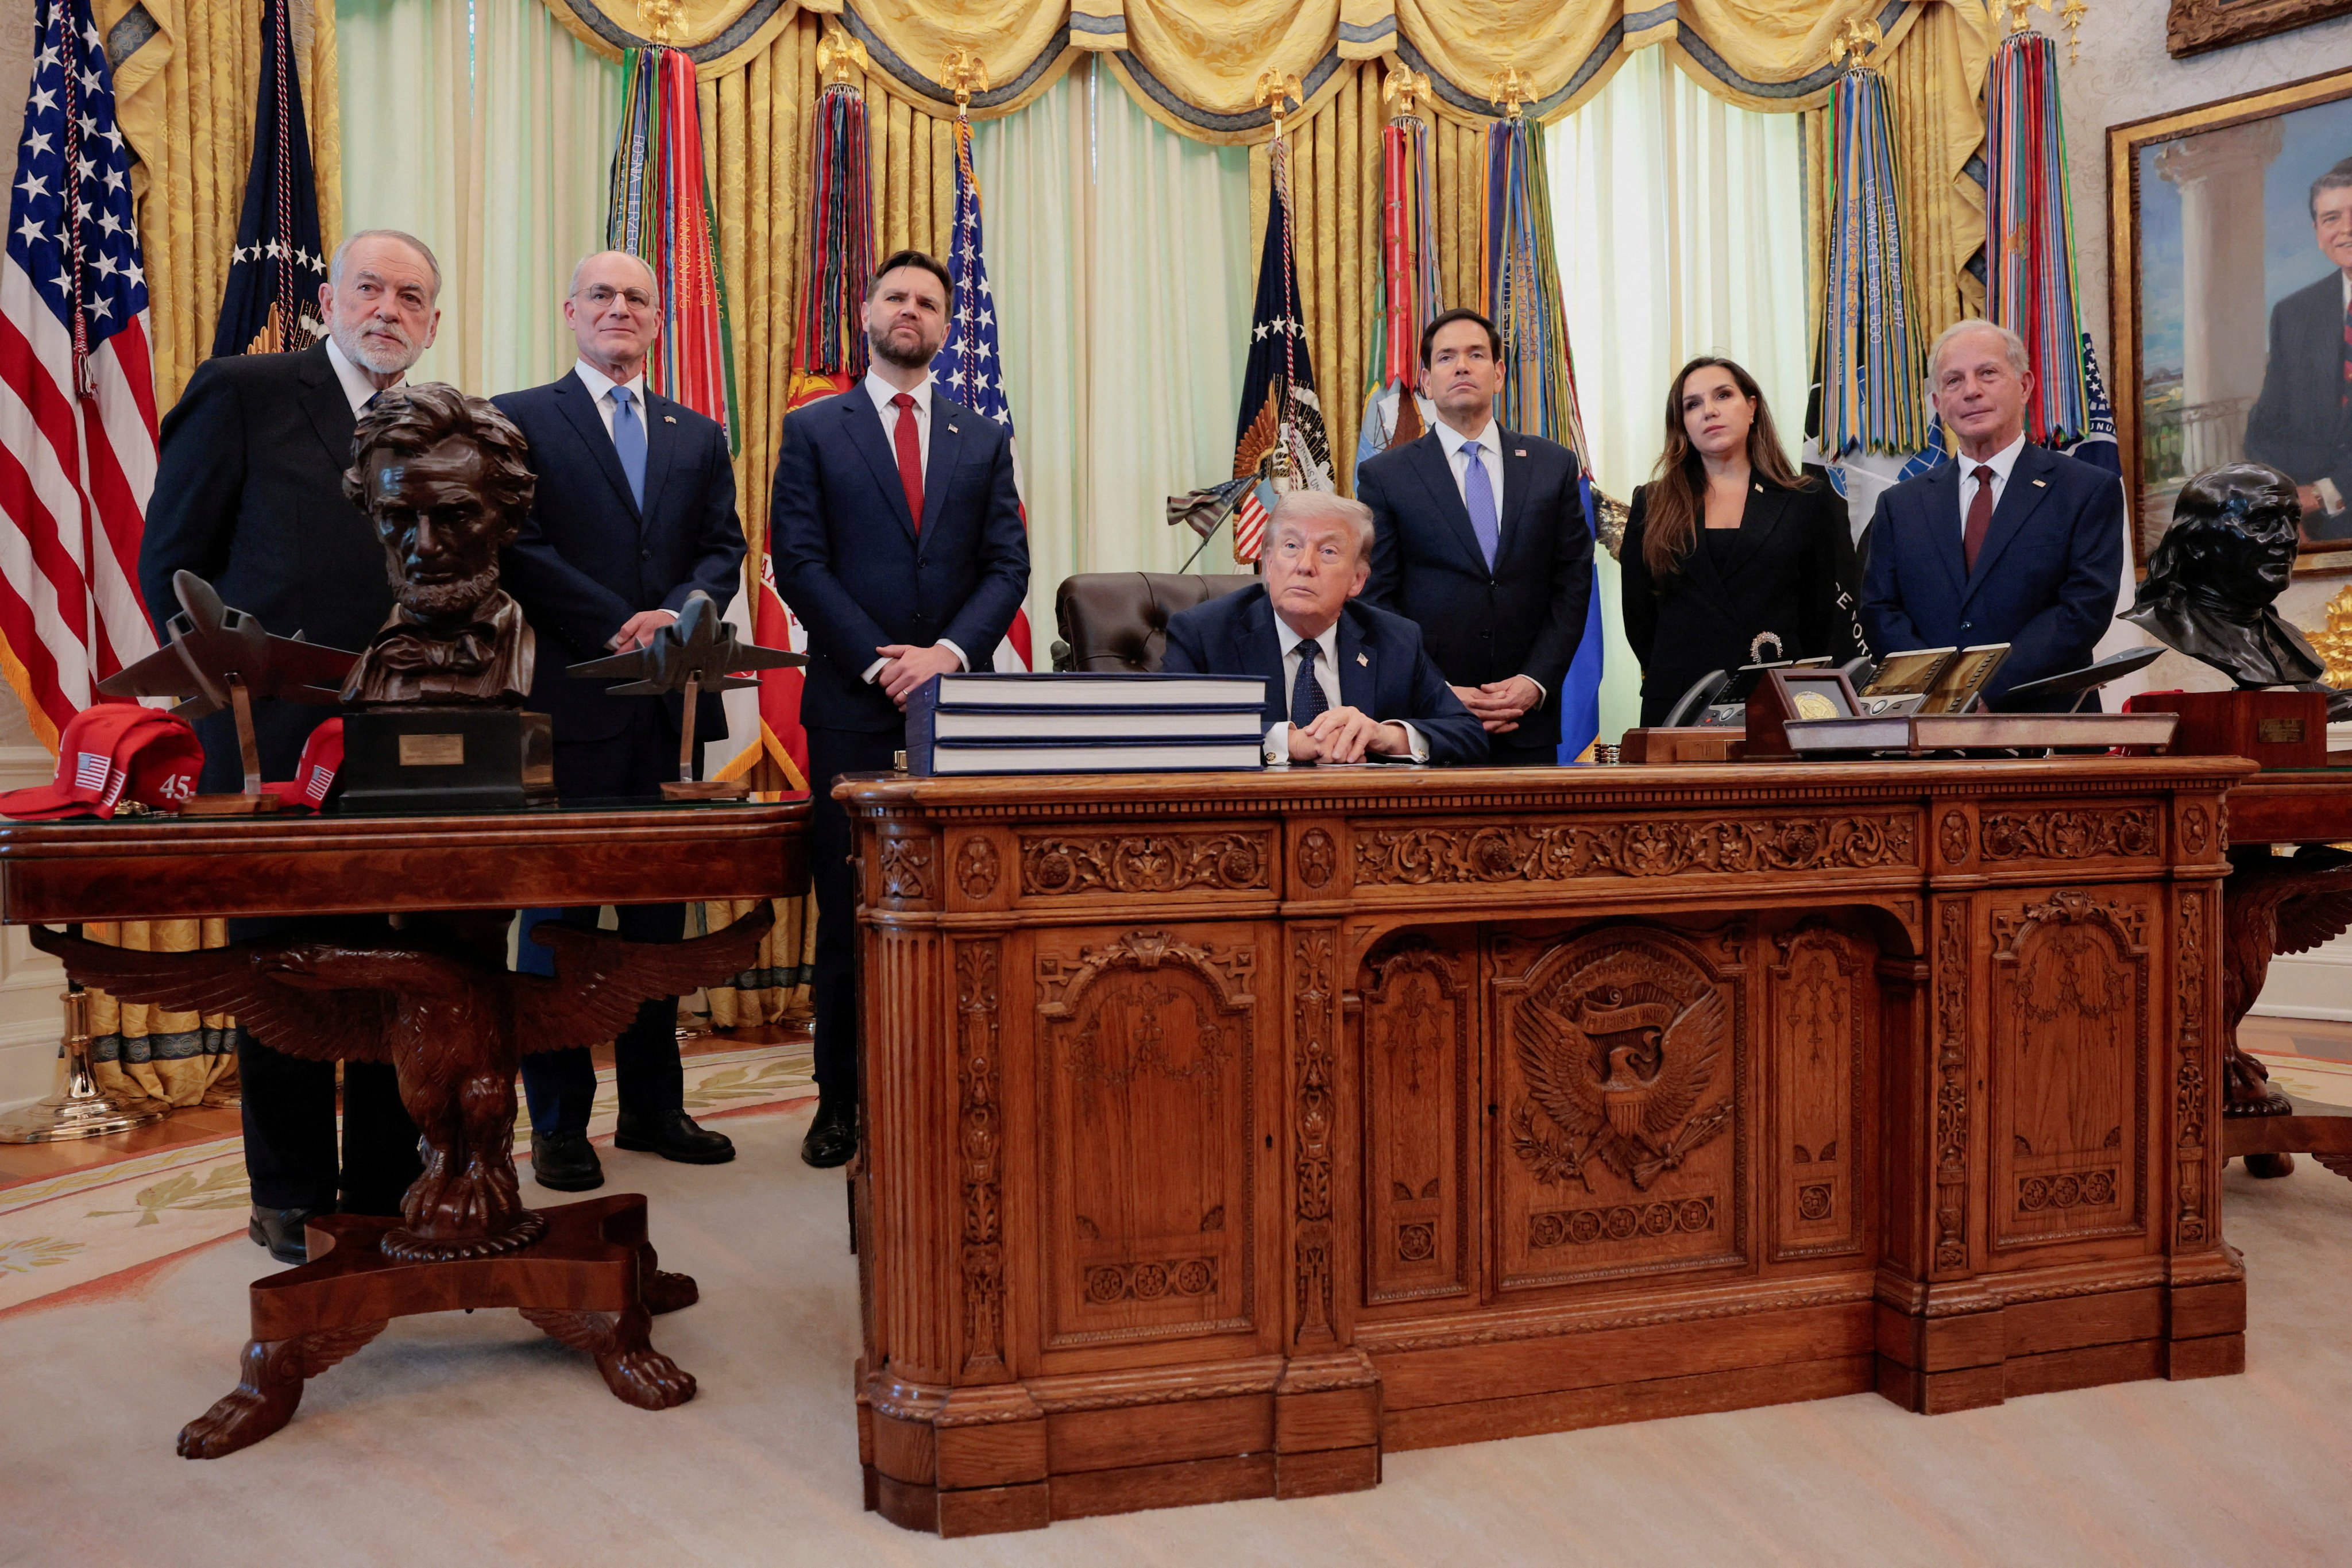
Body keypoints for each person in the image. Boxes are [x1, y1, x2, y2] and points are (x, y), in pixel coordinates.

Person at [137, 229, 441, 1262]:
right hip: (271, 749)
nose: (388, 309)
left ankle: (391, 1183)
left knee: (403, 968)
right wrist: (228, 706)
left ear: (433, 324)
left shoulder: (439, 429)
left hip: (408, 747)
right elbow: (171, 564)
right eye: (370, 288)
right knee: (286, 973)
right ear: (329, 297)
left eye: (411, 297)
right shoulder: (246, 391)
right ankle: (290, 1189)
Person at [493, 250, 749, 1191]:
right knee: (559, 920)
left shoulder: (697, 432)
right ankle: (559, 1123)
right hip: (568, 703)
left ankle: (652, 1108)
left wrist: (680, 608)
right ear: (569, 310)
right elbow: (517, 545)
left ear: (659, 319)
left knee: (656, 924)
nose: (619, 308)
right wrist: (616, 620)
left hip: (672, 709)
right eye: (601, 294)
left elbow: (725, 547)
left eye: (638, 297)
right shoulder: (518, 418)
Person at [772, 249, 1030, 1169]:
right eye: (894, 296)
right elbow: (797, 561)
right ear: (868, 313)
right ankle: (838, 1101)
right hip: (852, 700)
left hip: (959, 705)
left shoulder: (980, 435)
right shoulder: (813, 430)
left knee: (967, 906)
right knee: (849, 914)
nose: (910, 310)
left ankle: (961, 1090)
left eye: (927, 300)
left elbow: (1008, 565)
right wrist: (883, 663)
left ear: (944, 324)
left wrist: (946, 655)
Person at [1358, 307, 1591, 763]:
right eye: (1445, 358)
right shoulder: (1385, 476)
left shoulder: (1552, 466)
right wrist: (1435, 690)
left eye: (1476, 355)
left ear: (1499, 374)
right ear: (1426, 381)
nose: (1461, 366)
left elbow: (1572, 585)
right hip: (1427, 719)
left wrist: (1535, 681)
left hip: (1527, 717)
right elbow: (1375, 600)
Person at [1859, 319, 2123, 709]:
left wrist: (1982, 688)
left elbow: (2082, 609)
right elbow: (1880, 611)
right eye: (1953, 381)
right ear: (1937, 403)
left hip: (2045, 726)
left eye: (1987, 374)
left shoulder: (2085, 490)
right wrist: (1937, 691)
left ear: (2024, 386)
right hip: (1930, 730)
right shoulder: (1899, 505)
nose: (1971, 391)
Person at [1159, 491, 1488, 767]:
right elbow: (1169, 731)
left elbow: (1468, 734)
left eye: (1328, 551)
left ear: (1358, 580)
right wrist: (1287, 743)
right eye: (1291, 546)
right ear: (1269, 564)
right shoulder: (1205, 634)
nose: (1305, 565)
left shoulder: (1395, 639)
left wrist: (1384, 736)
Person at [1620, 356, 1863, 724]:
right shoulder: (1652, 502)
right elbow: (1639, 616)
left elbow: (1820, 617)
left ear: (1751, 408)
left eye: (1723, 395)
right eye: (1693, 404)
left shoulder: (1807, 500)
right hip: (1679, 700)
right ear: (1683, 424)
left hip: (1776, 695)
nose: (1709, 411)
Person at [2245, 157, 2352, 542]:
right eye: (2331, 218)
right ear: (2316, 230)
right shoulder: (2293, 313)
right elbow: (2264, 428)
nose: (2346, 230)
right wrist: (2282, 509)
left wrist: (2325, 494)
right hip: (2308, 531)